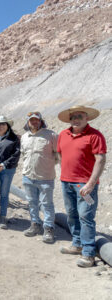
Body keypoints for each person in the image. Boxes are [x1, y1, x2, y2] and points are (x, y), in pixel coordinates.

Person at [57, 105, 107, 268]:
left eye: (79, 116)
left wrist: (91, 183)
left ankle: (88, 253)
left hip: (85, 185)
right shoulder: (63, 135)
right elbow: (60, 154)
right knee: (71, 214)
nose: (76, 119)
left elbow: (100, 160)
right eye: (73, 117)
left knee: (86, 217)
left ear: (87, 118)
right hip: (66, 182)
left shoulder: (95, 135)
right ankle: (77, 244)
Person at [21, 112, 58, 243]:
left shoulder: (51, 135)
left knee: (47, 204)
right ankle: (35, 224)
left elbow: (58, 155)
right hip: (28, 176)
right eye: (31, 120)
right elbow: (23, 155)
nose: (34, 122)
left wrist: (46, 165)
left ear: (41, 121)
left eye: (37, 120)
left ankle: (48, 228)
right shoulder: (24, 137)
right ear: (28, 122)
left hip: (45, 177)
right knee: (32, 203)